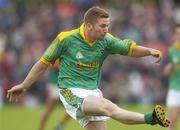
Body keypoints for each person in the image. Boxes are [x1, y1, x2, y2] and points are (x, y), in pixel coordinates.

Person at [7, 6, 170, 130]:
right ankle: (151, 118)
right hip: (70, 91)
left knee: (106, 114)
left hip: (92, 91)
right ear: (89, 25)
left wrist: (149, 51)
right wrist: (24, 85)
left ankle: (151, 118)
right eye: (102, 26)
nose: (106, 29)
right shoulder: (65, 39)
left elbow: (129, 49)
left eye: (107, 25)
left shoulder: (106, 40)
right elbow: (43, 63)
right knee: (109, 108)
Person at [38, 59, 70, 130]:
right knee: (49, 109)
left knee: (74, 108)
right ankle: (40, 128)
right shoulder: (57, 50)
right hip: (54, 84)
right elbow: (53, 65)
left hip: (66, 85)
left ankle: (59, 125)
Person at [164, 26, 180, 130]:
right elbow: (165, 71)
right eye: (177, 33)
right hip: (175, 89)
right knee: (171, 122)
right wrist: (168, 68)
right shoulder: (172, 51)